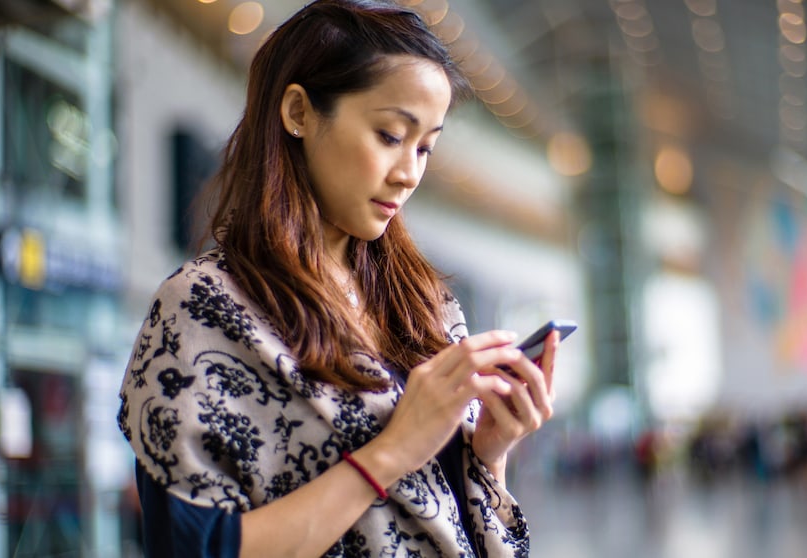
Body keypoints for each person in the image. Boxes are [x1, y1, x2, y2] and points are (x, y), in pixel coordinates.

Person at [116, 1, 560, 556]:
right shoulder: (203, 308)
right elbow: (196, 548)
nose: (410, 173)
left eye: (426, 146)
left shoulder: (426, 304)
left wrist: (489, 453)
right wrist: (390, 453)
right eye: (390, 135)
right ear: (298, 112)